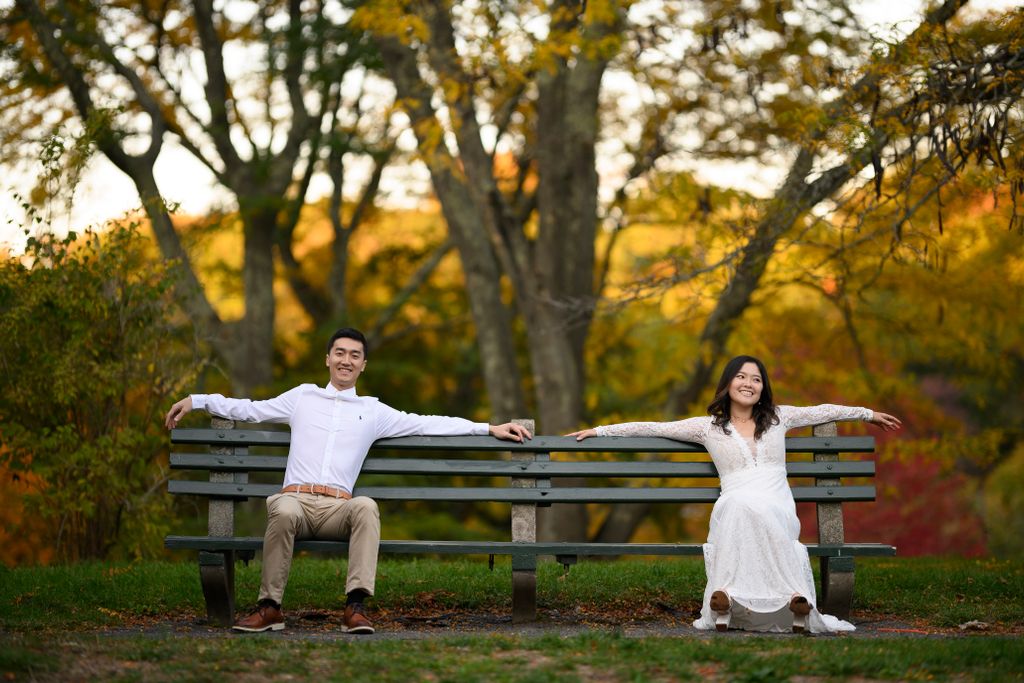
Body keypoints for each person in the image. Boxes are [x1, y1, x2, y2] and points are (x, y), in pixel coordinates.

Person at [165, 327, 532, 635]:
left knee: (367, 506)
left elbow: (427, 421)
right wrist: (197, 399)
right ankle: (269, 607)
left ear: (363, 365)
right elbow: (248, 408)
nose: (345, 360)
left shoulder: (373, 411)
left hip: (338, 508)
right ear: (328, 359)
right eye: (339, 353)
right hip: (295, 501)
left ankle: (355, 607)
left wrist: (487, 427)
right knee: (283, 507)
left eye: (354, 355)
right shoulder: (301, 398)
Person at [569, 355, 901, 634]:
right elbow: (654, 427)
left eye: (756, 379)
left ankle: (794, 600)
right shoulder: (707, 427)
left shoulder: (779, 417)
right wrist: (599, 431)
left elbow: (821, 410)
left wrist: (867, 414)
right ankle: (724, 599)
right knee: (739, 506)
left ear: (763, 387)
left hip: (776, 501)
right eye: (741, 376)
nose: (748, 383)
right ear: (728, 383)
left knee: (755, 510)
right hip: (735, 498)